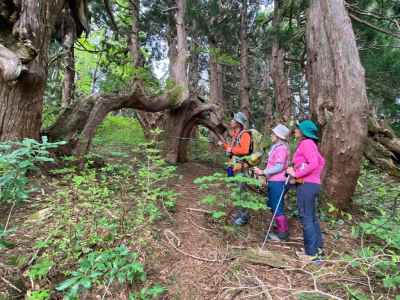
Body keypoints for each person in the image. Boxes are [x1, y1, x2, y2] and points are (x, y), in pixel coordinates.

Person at [286, 120, 325, 262]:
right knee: (312, 218)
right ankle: (317, 249)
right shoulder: (312, 144)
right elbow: (321, 162)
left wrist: (296, 173)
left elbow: (314, 163)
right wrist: (301, 171)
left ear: (304, 132)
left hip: (307, 186)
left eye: (298, 128)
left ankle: (311, 254)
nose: (295, 130)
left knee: (306, 218)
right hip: (313, 185)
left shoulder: (306, 143)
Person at [254, 124, 290, 241]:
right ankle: (280, 227)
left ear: (278, 136)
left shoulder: (281, 149)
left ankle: (282, 234)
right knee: (273, 205)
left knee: (277, 206)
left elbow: (279, 167)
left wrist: (263, 172)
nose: (271, 135)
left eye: (273, 133)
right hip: (273, 181)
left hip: (278, 181)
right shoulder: (276, 147)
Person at [218, 112, 252, 225]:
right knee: (236, 191)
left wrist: (231, 150)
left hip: (241, 168)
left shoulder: (245, 135)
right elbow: (232, 150)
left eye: (233, 120)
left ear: (238, 123)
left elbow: (244, 150)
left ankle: (244, 217)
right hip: (233, 167)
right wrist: (224, 145)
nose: (231, 121)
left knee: (241, 191)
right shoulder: (235, 135)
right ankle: (239, 213)